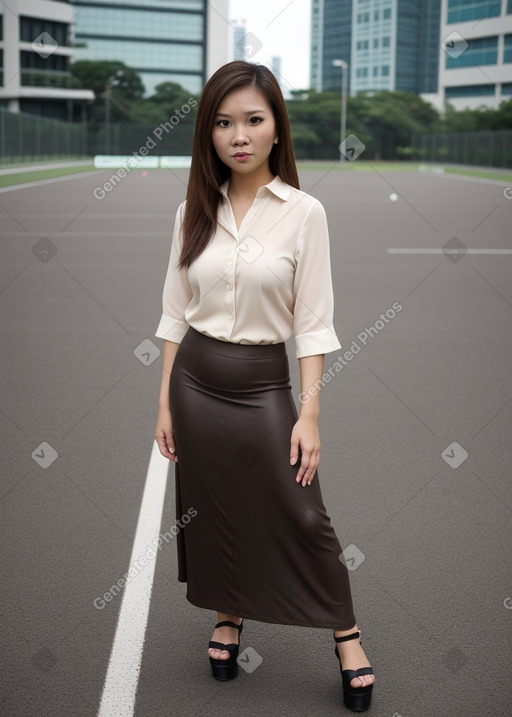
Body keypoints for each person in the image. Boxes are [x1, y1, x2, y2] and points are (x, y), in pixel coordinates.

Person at [154, 60, 375, 711]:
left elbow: (313, 326)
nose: (238, 134)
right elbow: (173, 312)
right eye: (223, 122)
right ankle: (229, 614)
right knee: (215, 502)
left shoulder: (305, 213)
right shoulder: (192, 209)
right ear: (209, 132)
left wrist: (308, 415)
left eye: (253, 119)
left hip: (259, 387)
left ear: (277, 127)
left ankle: (348, 635)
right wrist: (164, 398)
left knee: (303, 511)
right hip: (195, 380)